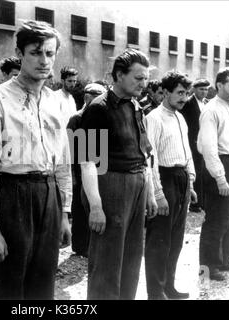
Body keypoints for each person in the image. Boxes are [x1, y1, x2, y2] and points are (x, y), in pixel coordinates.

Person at [0, 20, 72, 300]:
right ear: (19, 53)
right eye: (35, 52)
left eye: (50, 54)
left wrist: (64, 213)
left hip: (48, 195)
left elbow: (62, 161)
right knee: (8, 285)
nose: (43, 60)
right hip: (12, 196)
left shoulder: (55, 101)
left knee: (43, 286)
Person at [80, 49, 157, 300]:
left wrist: (151, 194)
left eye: (146, 78)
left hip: (137, 185)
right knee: (107, 263)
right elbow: (87, 161)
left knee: (132, 259)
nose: (144, 84)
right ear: (119, 75)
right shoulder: (97, 108)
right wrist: (95, 206)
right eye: (138, 78)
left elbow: (144, 153)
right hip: (110, 187)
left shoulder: (136, 106)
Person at [145, 71, 197, 300]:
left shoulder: (180, 117)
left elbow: (187, 152)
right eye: (179, 93)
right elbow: (150, 158)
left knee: (175, 240)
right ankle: (155, 292)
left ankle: (169, 287)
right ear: (165, 92)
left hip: (181, 179)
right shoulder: (154, 118)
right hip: (164, 178)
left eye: (187, 93)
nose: (184, 98)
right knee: (159, 240)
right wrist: (158, 193)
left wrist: (191, 182)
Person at [197, 67, 229, 281]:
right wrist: (219, 177)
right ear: (219, 86)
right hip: (220, 165)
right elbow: (208, 148)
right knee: (217, 218)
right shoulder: (211, 110)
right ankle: (208, 267)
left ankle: (225, 259)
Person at [67, 83, 107, 257]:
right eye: (96, 95)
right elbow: (70, 149)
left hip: (96, 168)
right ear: (87, 97)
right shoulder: (76, 118)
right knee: (80, 210)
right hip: (78, 169)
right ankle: (80, 246)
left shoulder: (100, 116)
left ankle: (91, 245)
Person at [180, 78, 210, 212]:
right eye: (201, 89)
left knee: (204, 171)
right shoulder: (188, 103)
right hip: (192, 143)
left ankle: (203, 201)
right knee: (195, 171)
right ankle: (194, 202)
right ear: (194, 89)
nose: (204, 92)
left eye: (206, 89)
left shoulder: (207, 104)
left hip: (205, 143)